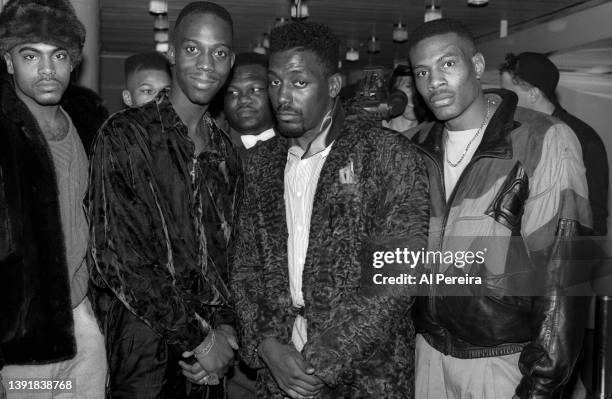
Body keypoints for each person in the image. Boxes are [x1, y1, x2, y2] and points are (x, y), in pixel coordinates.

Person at [231, 21, 429, 398]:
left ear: (333, 86)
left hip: (368, 370)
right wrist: (267, 347)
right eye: (275, 82)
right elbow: (245, 268)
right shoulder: (259, 164)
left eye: (299, 83)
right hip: (280, 371)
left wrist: (324, 359)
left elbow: (398, 274)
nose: (283, 97)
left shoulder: (386, 154)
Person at [406, 18, 592, 399]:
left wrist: (541, 384)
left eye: (447, 64)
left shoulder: (542, 138)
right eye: (422, 71)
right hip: (426, 354)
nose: (434, 81)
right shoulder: (416, 145)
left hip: (502, 361)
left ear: (475, 65)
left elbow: (563, 270)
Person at [88, 2, 242, 398]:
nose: (207, 63)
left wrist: (224, 333)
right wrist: (200, 339)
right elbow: (117, 257)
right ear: (172, 53)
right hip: (144, 344)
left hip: (209, 362)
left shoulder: (226, 152)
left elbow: (231, 259)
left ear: (231, 63)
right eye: (193, 49)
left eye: (219, 52)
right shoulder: (125, 134)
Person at [0, 0, 107, 397]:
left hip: (81, 314)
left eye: (58, 55)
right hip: (22, 337)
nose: (47, 70)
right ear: (9, 62)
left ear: (73, 61)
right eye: (31, 56)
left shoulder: (88, 122)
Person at [500, 51, 609, 236]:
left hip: (560, 257)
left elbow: (594, 215)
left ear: (533, 94)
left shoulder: (583, 138)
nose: (503, 99)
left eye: (509, 93)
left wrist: (577, 263)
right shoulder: (511, 134)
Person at [224, 52, 275, 160]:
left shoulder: (297, 147)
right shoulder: (213, 153)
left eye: (255, 90)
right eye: (233, 92)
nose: (243, 100)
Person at [382, 64, 422, 132]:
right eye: (409, 86)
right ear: (393, 92)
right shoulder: (375, 131)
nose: (415, 95)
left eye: (419, 87)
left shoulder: (431, 136)